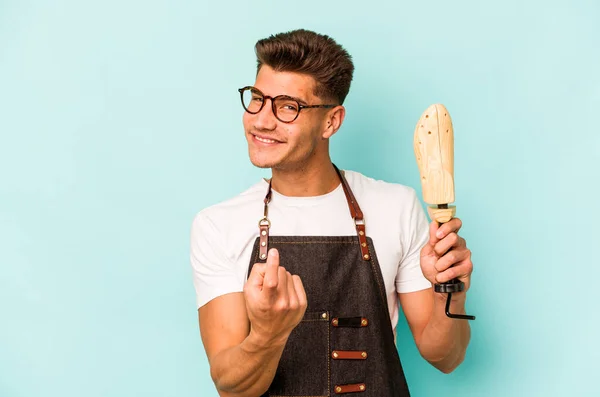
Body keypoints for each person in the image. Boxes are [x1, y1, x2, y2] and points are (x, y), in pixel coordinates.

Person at [190, 29, 473, 397]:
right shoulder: (218, 225)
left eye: (288, 106)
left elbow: (445, 357)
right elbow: (231, 386)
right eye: (257, 98)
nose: (261, 120)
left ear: (331, 122)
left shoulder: (395, 207)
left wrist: (447, 292)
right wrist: (269, 333)